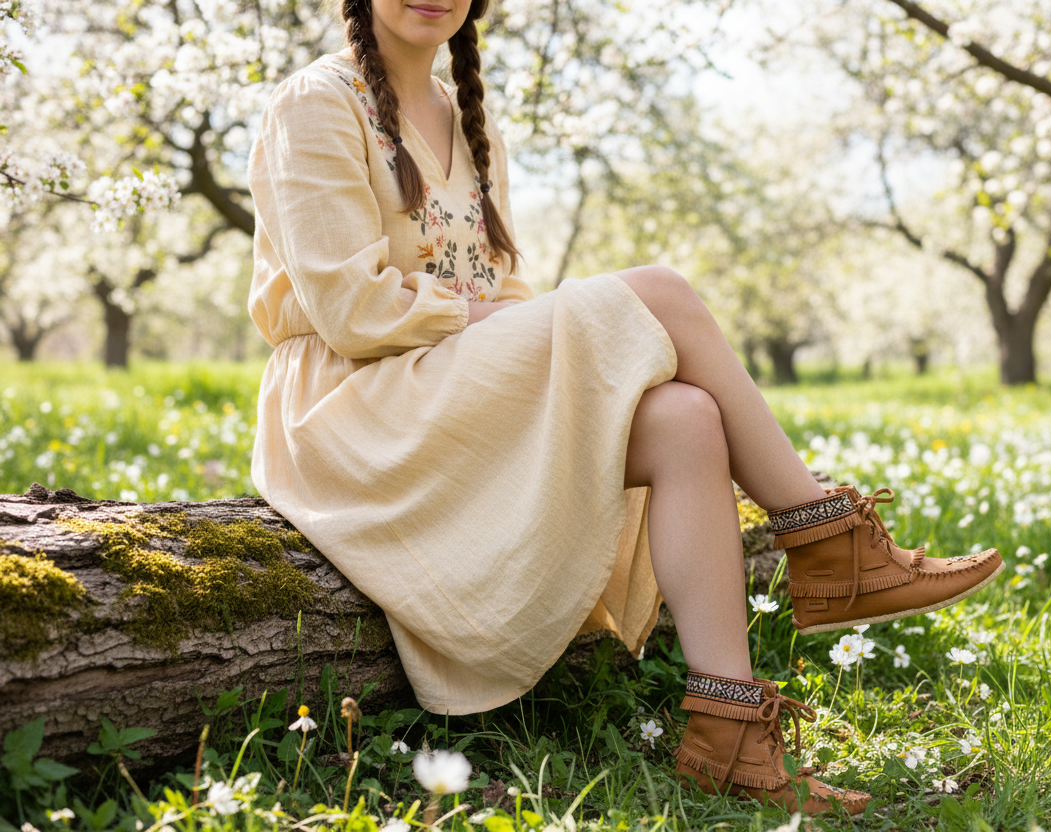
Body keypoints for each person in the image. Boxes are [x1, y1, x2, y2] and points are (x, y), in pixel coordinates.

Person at [246, 0, 1004, 816]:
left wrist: (532, 325)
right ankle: (827, 541)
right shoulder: (316, 103)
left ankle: (730, 741)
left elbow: (504, 293)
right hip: (357, 407)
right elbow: (350, 311)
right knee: (661, 293)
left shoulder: (466, 119)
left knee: (686, 421)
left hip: (450, 382)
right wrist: (536, 321)